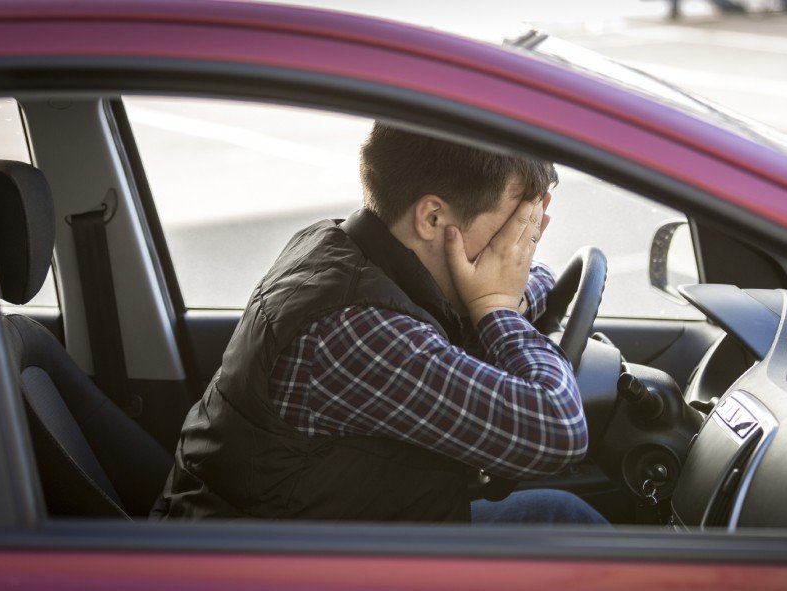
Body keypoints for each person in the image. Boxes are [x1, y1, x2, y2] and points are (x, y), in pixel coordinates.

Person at [152, 123, 606, 525]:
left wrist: (505, 294)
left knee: (560, 516)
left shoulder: (342, 244)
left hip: (335, 533)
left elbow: (528, 275)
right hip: (271, 571)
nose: (517, 247)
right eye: (511, 227)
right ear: (432, 217)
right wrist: (497, 309)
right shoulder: (355, 328)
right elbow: (558, 431)